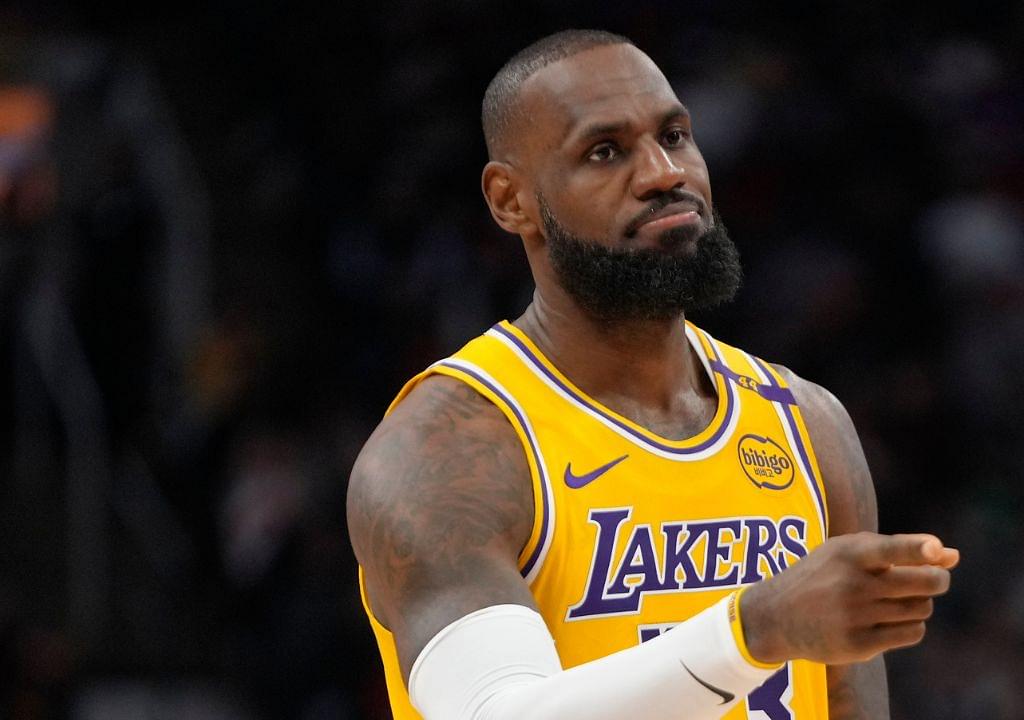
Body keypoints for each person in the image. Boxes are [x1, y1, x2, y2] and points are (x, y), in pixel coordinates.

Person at [346, 29, 960, 720]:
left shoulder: (807, 422)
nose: (664, 172)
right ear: (511, 200)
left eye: (675, 135)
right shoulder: (450, 447)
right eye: (604, 152)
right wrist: (751, 630)